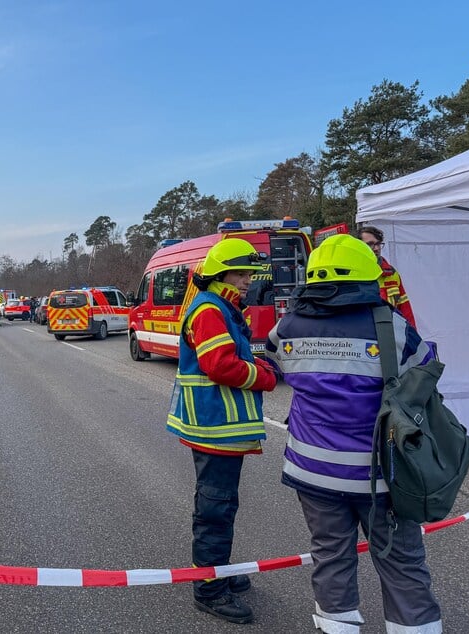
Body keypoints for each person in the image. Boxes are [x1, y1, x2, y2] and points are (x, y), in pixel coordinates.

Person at [266, 234, 441, 633]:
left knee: (330, 556)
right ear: (367, 276)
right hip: (381, 476)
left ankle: (336, 626)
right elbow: (425, 367)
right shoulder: (389, 326)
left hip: (311, 471)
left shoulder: (289, 324)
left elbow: (276, 359)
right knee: (401, 563)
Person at [166, 238, 278, 625]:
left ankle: (219, 571)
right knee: (215, 507)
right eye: (240, 273)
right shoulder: (211, 309)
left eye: (249, 273)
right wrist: (264, 377)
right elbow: (220, 365)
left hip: (219, 427)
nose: (247, 280)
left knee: (221, 505)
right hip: (214, 427)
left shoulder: (220, 307)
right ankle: (209, 589)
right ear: (219, 275)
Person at [358, 225, 417, 328]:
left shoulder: (392, 274)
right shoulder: (353, 274)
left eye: (378, 244)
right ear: (359, 247)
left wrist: (412, 336)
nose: (376, 248)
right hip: (364, 333)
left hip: (390, 333)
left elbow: (405, 310)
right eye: (370, 244)